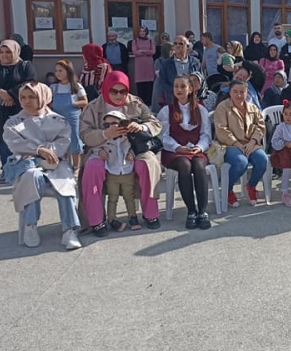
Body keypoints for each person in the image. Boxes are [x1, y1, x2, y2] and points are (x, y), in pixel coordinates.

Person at [80, 71, 163, 236]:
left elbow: (155, 123)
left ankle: (151, 213)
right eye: (114, 91)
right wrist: (104, 134)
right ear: (106, 89)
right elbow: (84, 133)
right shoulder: (94, 107)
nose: (118, 96)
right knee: (92, 167)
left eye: (123, 91)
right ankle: (96, 220)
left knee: (148, 164)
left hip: (132, 149)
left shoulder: (135, 103)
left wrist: (141, 127)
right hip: (102, 149)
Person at [3, 81, 81, 250]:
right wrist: (39, 150)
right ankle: (30, 225)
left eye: (32, 97)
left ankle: (69, 230)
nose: (26, 101)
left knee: (65, 185)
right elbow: (13, 143)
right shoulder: (13, 122)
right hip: (27, 165)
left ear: (44, 97)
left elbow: (64, 142)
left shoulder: (59, 120)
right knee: (32, 177)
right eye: (23, 97)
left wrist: (43, 150)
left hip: (56, 164)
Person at [158, 75, 213, 229]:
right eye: (176, 86)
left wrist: (200, 147)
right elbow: (163, 136)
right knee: (184, 165)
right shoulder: (166, 111)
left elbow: (206, 135)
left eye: (183, 86)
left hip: (196, 150)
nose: (179, 89)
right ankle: (191, 211)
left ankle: (202, 211)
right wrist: (177, 147)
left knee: (199, 166)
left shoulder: (200, 110)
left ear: (190, 89)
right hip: (174, 152)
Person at [0, 39, 36, 180]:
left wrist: (10, 94)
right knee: (4, 139)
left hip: (21, 108)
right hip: (0, 109)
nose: (4, 55)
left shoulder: (25, 66)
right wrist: (0, 92)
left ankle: (24, 167)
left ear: (16, 51)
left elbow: (30, 82)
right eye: (1, 52)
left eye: (8, 52)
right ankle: (6, 168)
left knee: (23, 137)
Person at [214, 80, 268, 208]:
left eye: (242, 92)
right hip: (229, 144)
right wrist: (237, 143)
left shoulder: (252, 108)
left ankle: (251, 186)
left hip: (250, 143)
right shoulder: (222, 107)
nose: (239, 95)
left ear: (247, 92)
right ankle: (228, 190)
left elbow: (260, 127)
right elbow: (222, 130)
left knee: (262, 160)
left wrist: (252, 141)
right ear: (230, 92)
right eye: (235, 92)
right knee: (241, 162)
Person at [88, 110, 139, 232]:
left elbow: (136, 147)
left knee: (129, 196)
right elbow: (94, 147)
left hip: (127, 171)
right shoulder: (105, 139)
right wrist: (99, 152)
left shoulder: (128, 138)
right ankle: (111, 219)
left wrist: (132, 154)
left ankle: (133, 217)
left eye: (114, 123)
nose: (111, 127)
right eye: (107, 125)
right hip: (112, 172)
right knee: (112, 198)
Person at [50, 60, 87, 173]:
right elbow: (48, 102)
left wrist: (73, 104)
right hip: (57, 118)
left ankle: (76, 167)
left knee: (75, 140)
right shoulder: (53, 87)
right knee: (60, 140)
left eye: (61, 70)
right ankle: (64, 166)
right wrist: (53, 106)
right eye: (56, 71)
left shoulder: (76, 86)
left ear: (68, 71)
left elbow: (85, 102)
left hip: (73, 117)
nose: (58, 73)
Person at [159, 35, 201, 105]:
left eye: (181, 44)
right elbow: (162, 82)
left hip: (191, 99)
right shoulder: (166, 64)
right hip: (172, 100)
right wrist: (176, 92)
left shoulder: (195, 62)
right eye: (175, 43)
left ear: (187, 47)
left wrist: (191, 91)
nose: (177, 46)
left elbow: (200, 80)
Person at [130, 26, 156, 105]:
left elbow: (153, 52)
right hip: (139, 66)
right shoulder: (135, 41)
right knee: (140, 86)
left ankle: (149, 104)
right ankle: (141, 104)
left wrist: (141, 51)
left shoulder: (151, 41)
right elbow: (135, 52)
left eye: (143, 31)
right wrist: (146, 52)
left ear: (146, 32)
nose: (142, 33)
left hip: (148, 65)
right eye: (140, 31)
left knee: (149, 86)